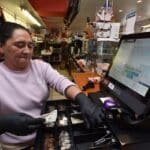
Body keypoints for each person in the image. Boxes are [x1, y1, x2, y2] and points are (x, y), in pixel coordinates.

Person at [0, 22, 103, 149]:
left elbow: (60, 82)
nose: (27, 51)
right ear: (1, 47)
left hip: (44, 134)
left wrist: (82, 98)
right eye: (20, 45)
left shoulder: (39, 66)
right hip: (15, 146)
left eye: (30, 46)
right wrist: (3, 124)